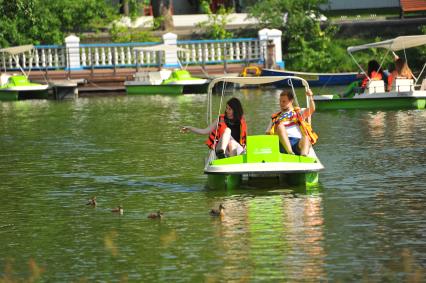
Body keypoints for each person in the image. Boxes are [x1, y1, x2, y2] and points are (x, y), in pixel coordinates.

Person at [181, 97, 247, 158]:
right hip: (221, 147)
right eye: (226, 108)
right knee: (227, 130)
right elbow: (205, 131)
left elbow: (245, 140)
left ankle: (231, 161)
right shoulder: (221, 119)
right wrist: (190, 128)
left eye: (229, 109)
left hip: (235, 149)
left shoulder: (241, 121)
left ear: (235, 110)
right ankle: (221, 153)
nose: (227, 110)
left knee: (232, 143)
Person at [265, 89, 315, 156]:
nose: (281, 103)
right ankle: (290, 153)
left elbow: (312, 109)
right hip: (282, 144)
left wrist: (310, 96)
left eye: (284, 101)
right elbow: (267, 134)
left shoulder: (299, 112)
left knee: (306, 138)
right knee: (280, 126)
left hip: (297, 143)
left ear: (291, 101)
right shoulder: (275, 117)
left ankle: (304, 156)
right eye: (280, 101)